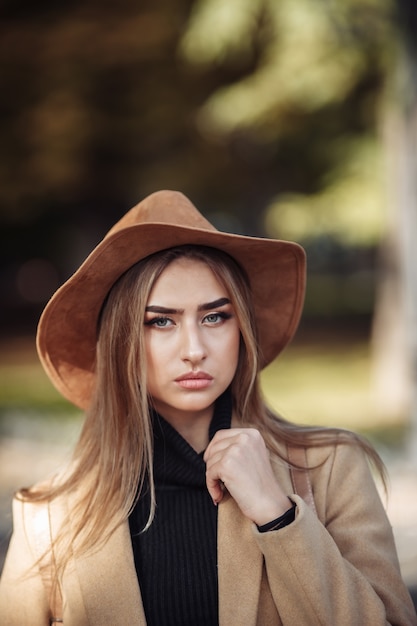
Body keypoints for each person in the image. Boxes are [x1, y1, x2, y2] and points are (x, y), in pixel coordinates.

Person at [0, 190, 415, 626]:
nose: (194, 349)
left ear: (242, 329)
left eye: (215, 316)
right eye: (161, 321)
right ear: (121, 341)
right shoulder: (48, 514)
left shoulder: (330, 470)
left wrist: (279, 515)